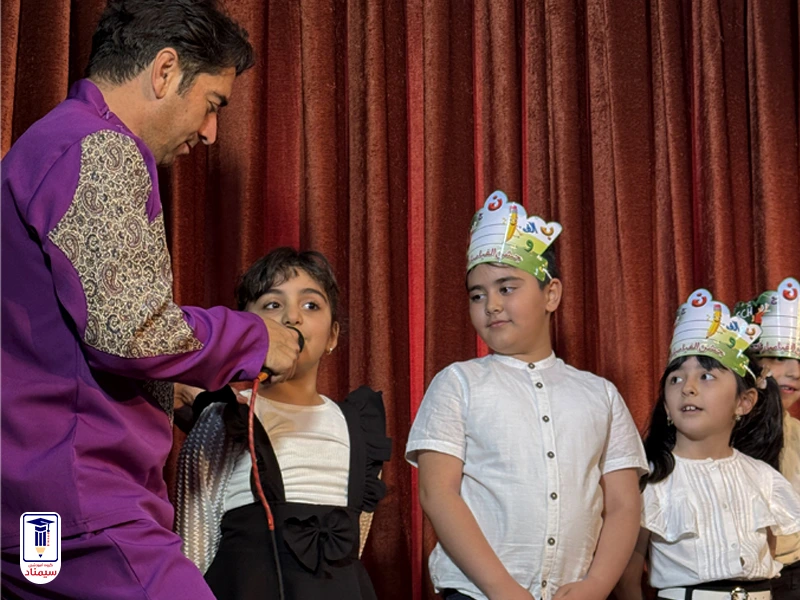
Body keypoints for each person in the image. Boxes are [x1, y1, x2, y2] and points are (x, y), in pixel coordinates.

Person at [1, 2, 301, 598]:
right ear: (164, 71)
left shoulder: (43, 145)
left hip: (39, 511)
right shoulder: (99, 148)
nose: (210, 132)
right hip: (86, 506)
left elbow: (56, 336)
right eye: (212, 103)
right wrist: (256, 337)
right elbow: (131, 333)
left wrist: (163, 390)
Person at [406, 190, 647, 600]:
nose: (491, 305)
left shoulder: (600, 394)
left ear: (550, 295)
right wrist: (501, 588)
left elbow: (624, 504)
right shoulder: (458, 383)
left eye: (506, 288)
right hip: (478, 594)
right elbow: (437, 492)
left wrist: (596, 585)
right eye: (478, 295)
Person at [174, 247, 391, 599]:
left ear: (333, 336)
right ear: (244, 328)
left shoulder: (359, 427)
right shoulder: (225, 418)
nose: (292, 317)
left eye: (311, 305)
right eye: (272, 304)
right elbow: (194, 545)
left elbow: (354, 539)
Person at [615, 289, 800, 600]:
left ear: (744, 402)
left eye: (706, 376)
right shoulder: (652, 479)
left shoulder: (763, 477)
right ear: (666, 406)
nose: (688, 388)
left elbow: (767, 559)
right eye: (676, 378)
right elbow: (627, 579)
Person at [735, 277, 800, 600]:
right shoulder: (714, 431)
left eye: (799, 361)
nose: (794, 372)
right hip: (731, 579)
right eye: (778, 358)